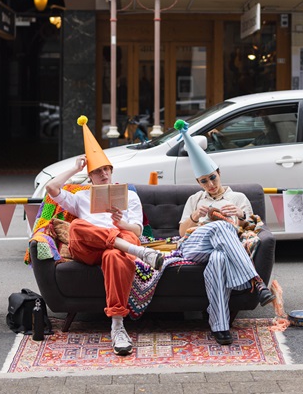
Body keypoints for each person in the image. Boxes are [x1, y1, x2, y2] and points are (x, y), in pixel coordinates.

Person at [44, 115, 163, 357]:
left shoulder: (130, 195)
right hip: (89, 245)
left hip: (122, 240)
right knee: (77, 226)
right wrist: (74, 169)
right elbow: (51, 189)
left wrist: (122, 223)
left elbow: (138, 231)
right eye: (97, 171)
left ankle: (118, 327)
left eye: (106, 169)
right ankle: (140, 253)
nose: (104, 174)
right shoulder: (80, 197)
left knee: (114, 256)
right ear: (90, 176)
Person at [173, 120, 274, 346]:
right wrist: (195, 217)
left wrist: (240, 214)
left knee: (219, 258)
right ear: (198, 183)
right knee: (218, 225)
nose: (210, 184)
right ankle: (255, 281)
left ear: (219, 173)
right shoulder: (195, 200)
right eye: (204, 181)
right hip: (194, 246)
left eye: (212, 178)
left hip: (225, 250)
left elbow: (253, 230)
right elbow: (181, 232)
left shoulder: (238, 198)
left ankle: (220, 326)